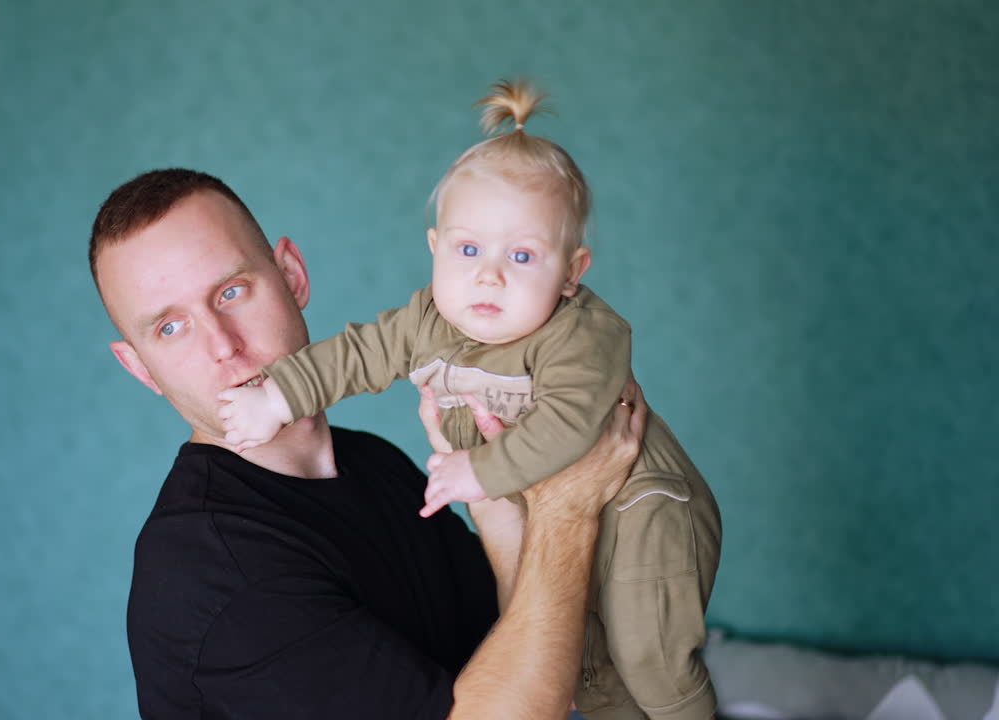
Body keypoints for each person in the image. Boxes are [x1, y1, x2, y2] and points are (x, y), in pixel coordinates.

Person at [214, 80, 722, 720]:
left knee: (651, 660)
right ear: (436, 249)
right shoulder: (426, 322)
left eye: (522, 255)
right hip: (560, 516)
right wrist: (279, 398)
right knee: (589, 671)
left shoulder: (582, 336)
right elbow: (357, 354)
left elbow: (568, 426)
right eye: (469, 248)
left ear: (572, 273)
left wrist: (475, 472)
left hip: (648, 510)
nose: (489, 273)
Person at [89, 167, 648, 718]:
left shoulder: (370, 462)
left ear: (292, 276)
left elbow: (543, 669)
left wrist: (490, 489)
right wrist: (568, 512)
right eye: (170, 327)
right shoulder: (213, 572)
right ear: (140, 369)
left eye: (231, 292)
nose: (223, 345)